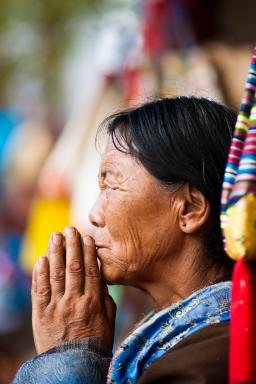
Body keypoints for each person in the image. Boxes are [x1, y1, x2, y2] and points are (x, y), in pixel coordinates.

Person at [14, 97, 236, 384]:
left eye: (113, 185)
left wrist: (70, 355)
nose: (93, 214)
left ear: (189, 209)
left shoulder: (209, 359)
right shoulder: (191, 342)